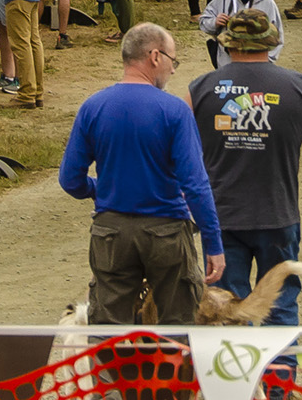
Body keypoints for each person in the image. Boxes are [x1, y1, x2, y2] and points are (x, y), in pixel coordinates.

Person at [58, 23, 225, 322]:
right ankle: (172, 369)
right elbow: (195, 185)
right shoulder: (174, 111)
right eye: (173, 61)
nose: (173, 71)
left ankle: (111, 371)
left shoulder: (92, 107)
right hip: (167, 231)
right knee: (179, 326)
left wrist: (98, 188)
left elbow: (70, 179)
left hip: (111, 232)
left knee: (108, 328)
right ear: (155, 56)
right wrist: (213, 242)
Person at [189, 9, 302, 325]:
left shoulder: (199, 89)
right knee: (281, 304)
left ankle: (231, 373)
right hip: (277, 214)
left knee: (223, 308)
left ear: (228, 45)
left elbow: (177, 151)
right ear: (270, 43)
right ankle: (280, 374)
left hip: (221, 217)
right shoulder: (301, 88)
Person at [196, 0, 284, 67]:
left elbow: (278, 36)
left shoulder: (267, 3)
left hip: (257, 65)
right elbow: (203, 22)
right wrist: (214, 22)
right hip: (226, 64)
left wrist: (267, 61)